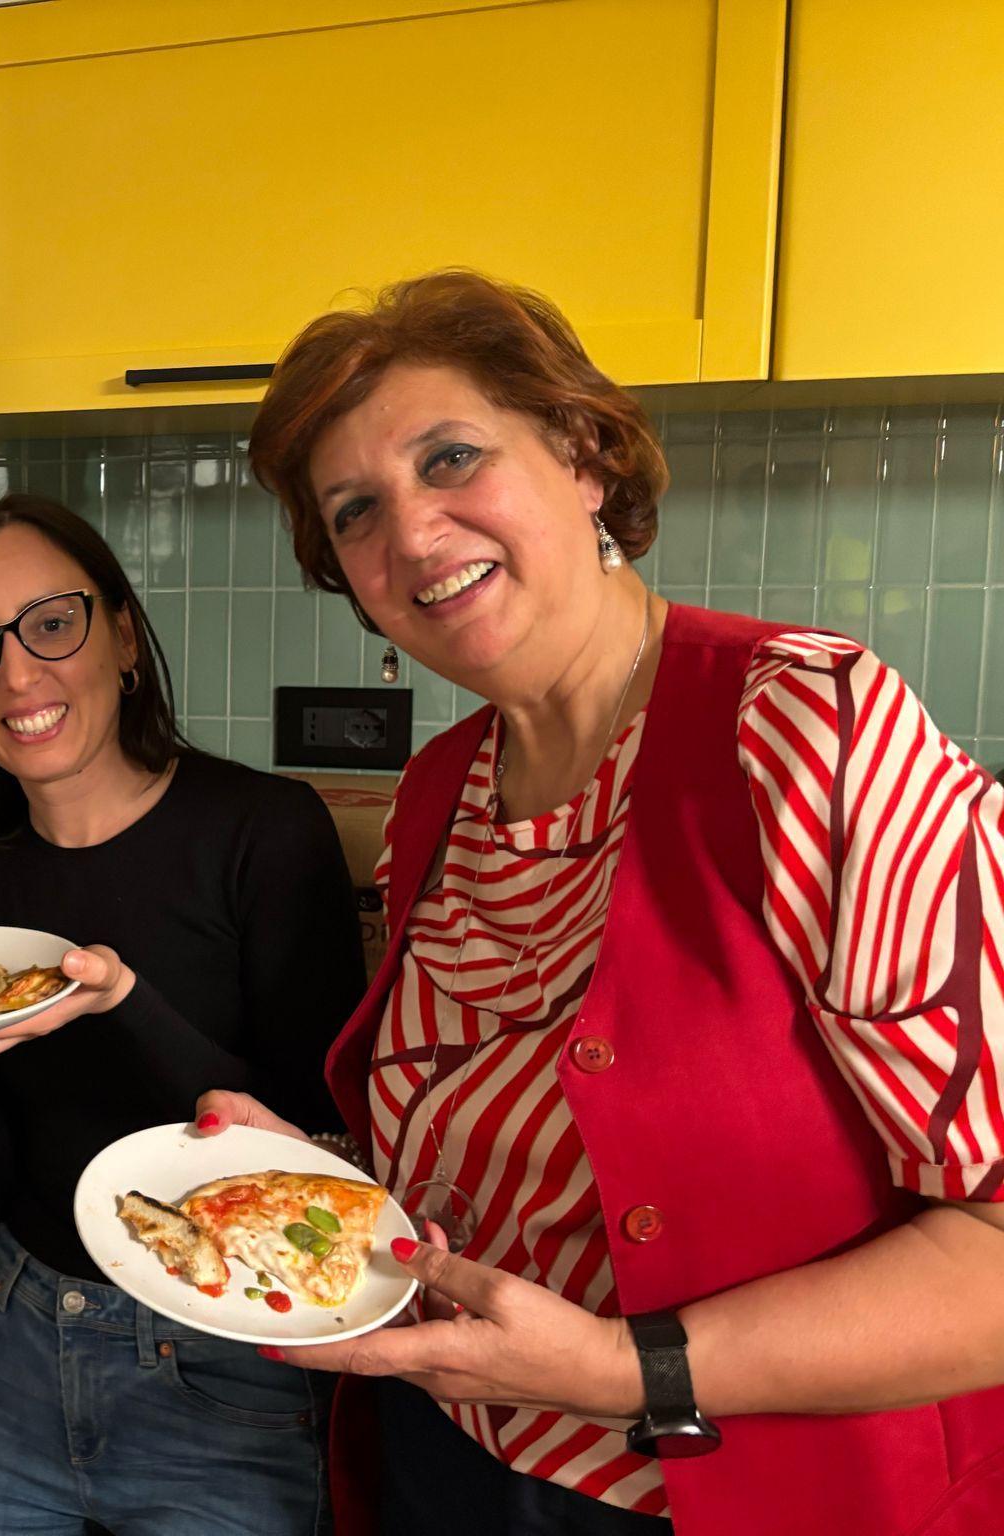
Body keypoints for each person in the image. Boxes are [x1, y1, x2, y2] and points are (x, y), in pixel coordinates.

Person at [191, 268, 1004, 1536]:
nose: (410, 537)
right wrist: (326, 1182)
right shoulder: (436, 793)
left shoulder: (800, 723)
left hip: (721, 1494)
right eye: (355, 512)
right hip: (446, 1463)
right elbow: (517, 1151)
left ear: (580, 455)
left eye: (451, 457)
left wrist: (633, 1372)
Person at [0, 494, 368, 1535]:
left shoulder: (261, 832)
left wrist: (122, 1002)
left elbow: (315, 1157)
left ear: (122, 635)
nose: (15, 674)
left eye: (51, 624)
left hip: (223, 1360)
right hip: (17, 1336)